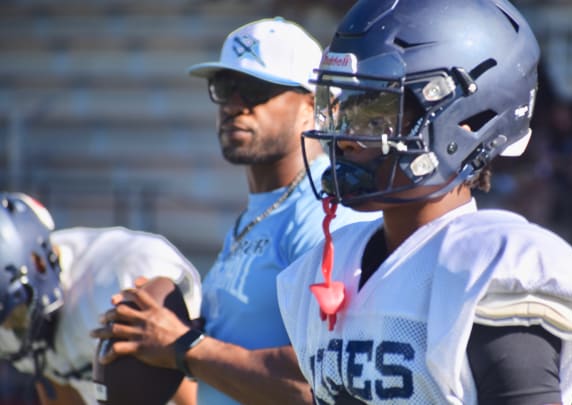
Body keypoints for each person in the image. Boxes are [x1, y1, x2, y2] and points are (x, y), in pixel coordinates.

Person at [275, 0, 572, 404]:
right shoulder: (331, 261)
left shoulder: (490, 266)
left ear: (467, 120)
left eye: (375, 116)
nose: (343, 138)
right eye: (341, 112)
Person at [91, 17, 379, 405]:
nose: (234, 106)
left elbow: (328, 384)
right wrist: (148, 336)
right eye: (225, 88)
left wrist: (181, 345)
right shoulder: (257, 215)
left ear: (315, 106)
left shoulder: (330, 213)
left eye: (256, 89)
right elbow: (221, 370)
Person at [0, 192, 202, 405]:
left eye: (12, 312)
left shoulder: (123, 274)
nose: (7, 326)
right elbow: (50, 373)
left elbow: (176, 365)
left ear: (38, 264)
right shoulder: (16, 309)